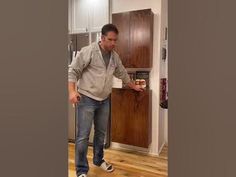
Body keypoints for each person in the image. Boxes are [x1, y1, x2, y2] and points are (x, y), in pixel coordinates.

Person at [68, 24, 143, 177]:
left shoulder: (114, 56)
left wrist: (133, 86)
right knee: (83, 135)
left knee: (101, 134)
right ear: (102, 38)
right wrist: (71, 91)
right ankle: (81, 170)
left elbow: (122, 73)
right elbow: (73, 70)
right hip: (87, 98)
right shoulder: (89, 51)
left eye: (115, 40)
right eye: (110, 40)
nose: (113, 43)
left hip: (104, 100)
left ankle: (98, 159)